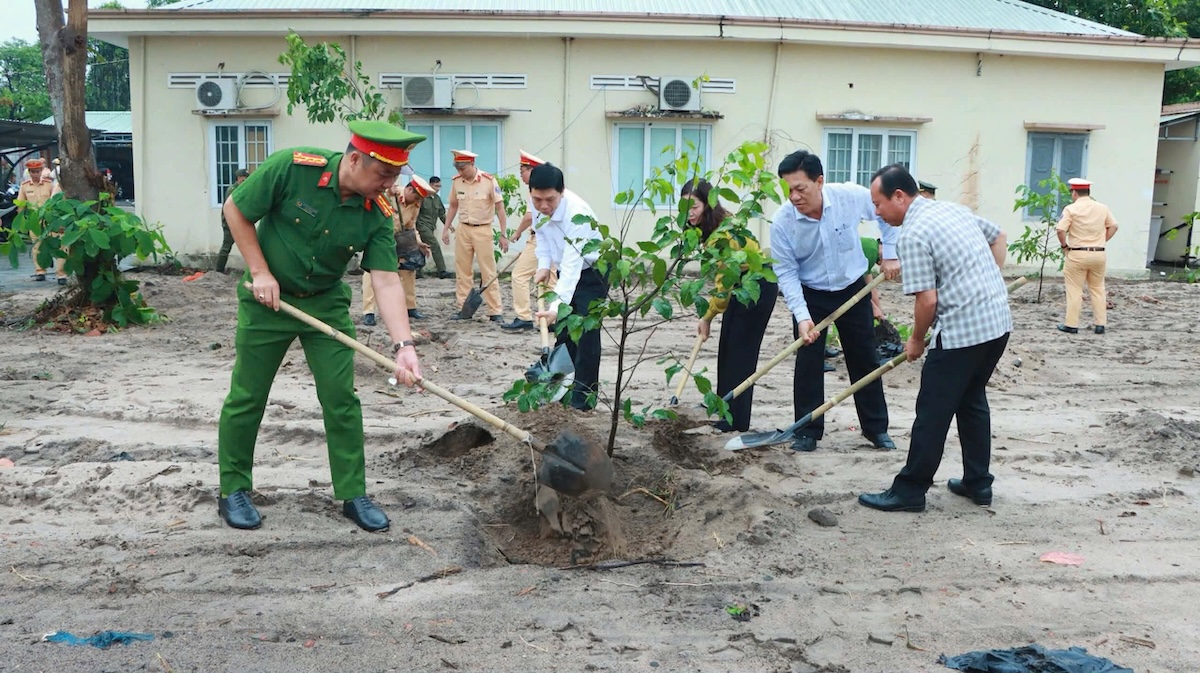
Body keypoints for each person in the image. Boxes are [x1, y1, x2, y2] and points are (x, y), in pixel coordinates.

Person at [217, 119, 425, 533]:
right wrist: (259, 272)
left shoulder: (379, 212)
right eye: (383, 174)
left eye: (395, 177)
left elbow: (384, 279)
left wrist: (404, 345)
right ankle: (233, 490)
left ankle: (353, 493)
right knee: (248, 395)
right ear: (354, 159)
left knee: (341, 399)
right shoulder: (293, 168)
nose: (389, 185)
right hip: (267, 302)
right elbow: (235, 210)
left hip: (325, 307)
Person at [858, 164, 1011, 513]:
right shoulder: (953, 209)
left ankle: (910, 490)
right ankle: (978, 482)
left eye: (878, 204)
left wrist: (915, 339)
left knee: (932, 411)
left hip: (963, 331)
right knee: (972, 401)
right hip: (998, 321)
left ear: (899, 196)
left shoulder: (912, 235)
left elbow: (927, 300)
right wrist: (985, 282)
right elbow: (999, 236)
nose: (876, 212)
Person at [770, 150, 900, 453]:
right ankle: (807, 430)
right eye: (788, 189)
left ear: (820, 182)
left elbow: (889, 215)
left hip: (852, 287)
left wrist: (890, 253)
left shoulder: (850, 197)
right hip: (811, 293)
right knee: (808, 360)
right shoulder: (783, 222)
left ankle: (875, 429)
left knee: (865, 357)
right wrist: (802, 317)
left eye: (800, 188)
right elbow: (786, 273)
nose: (794, 197)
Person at [683, 178, 777, 433]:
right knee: (727, 349)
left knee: (740, 354)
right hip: (740, 286)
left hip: (755, 285)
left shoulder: (722, 235)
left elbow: (722, 290)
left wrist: (707, 316)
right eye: (684, 208)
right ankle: (723, 406)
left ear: (708, 204)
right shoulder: (715, 225)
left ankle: (736, 421)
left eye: (694, 206)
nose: (689, 213)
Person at [530, 164, 607, 411]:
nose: (543, 206)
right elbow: (541, 237)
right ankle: (560, 391)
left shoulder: (577, 215)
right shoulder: (537, 207)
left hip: (592, 274)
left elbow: (574, 268)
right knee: (564, 334)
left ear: (562, 192)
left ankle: (583, 399)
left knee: (586, 335)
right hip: (565, 272)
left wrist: (555, 307)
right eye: (537, 199)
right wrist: (543, 265)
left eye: (550, 200)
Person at [442, 149, 507, 322]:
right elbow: (453, 206)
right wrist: (446, 228)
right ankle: (463, 309)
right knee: (463, 271)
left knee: (488, 271)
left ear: (471, 164)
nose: (460, 172)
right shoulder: (457, 182)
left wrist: (503, 233)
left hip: (483, 229)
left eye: (463, 168)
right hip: (463, 228)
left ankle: (495, 311)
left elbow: (500, 208)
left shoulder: (488, 181)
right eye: (457, 169)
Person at [363, 175, 435, 324]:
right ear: (409, 189)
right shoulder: (390, 193)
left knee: (408, 271)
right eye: (416, 196)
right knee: (372, 273)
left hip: (401, 240)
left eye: (420, 199)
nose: (418, 201)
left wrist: (419, 242)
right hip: (379, 238)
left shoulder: (416, 204)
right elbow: (372, 206)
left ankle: (410, 307)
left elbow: (411, 225)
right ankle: (369, 311)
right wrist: (386, 195)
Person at [1056, 178, 1117, 335]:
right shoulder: (1103, 208)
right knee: (1097, 288)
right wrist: (1102, 241)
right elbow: (1114, 226)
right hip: (1098, 253)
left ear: (1074, 193)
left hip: (1077, 253)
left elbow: (1060, 229)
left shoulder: (1070, 209)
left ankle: (1072, 324)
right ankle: (1100, 324)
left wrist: (1064, 245)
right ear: (1089, 192)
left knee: (1075, 289)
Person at [502, 149, 553, 332]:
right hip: (551, 239)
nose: (521, 176)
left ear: (530, 170)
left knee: (519, 276)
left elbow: (529, 217)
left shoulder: (535, 190)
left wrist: (516, 233)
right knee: (552, 280)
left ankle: (523, 317)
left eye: (521, 171)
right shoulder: (546, 188)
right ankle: (554, 317)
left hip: (540, 241)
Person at [18, 158, 67, 285]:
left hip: (51, 220)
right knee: (37, 246)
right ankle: (40, 271)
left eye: (37, 171)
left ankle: (61, 274)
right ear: (29, 172)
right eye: (33, 171)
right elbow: (21, 205)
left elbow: (56, 202)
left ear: (42, 171)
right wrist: (22, 222)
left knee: (60, 245)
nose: (35, 174)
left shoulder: (50, 184)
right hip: (35, 221)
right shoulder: (24, 186)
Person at [216, 168, 251, 274]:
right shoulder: (233, 190)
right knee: (226, 247)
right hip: (230, 222)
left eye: (246, 178)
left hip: (240, 222)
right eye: (243, 178)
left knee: (249, 246)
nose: (244, 180)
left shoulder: (243, 189)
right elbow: (231, 207)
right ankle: (218, 271)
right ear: (238, 178)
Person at [415, 175, 450, 278]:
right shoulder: (422, 197)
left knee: (422, 248)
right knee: (434, 245)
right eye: (436, 186)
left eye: (439, 186)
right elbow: (415, 212)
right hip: (422, 226)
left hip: (431, 227)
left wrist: (448, 225)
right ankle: (442, 270)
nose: (438, 189)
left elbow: (441, 214)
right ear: (430, 185)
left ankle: (417, 271)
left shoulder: (437, 199)